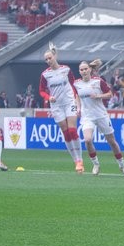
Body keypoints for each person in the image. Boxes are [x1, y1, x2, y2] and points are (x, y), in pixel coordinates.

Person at [73, 59, 124, 177]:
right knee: (88, 140)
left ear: (90, 70)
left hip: (101, 115)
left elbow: (110, 94)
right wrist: (78, 108)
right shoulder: (76, 83)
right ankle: (96, 164)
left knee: (112, 142)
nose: (84, 71)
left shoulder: (98, 81)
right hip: (87, 116)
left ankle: (122, 166)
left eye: (85, 69)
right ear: (79, 71)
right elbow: (76, 96)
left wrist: (98, 95)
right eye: (81, 70)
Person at [40, 43, 84, 173]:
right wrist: (48, 97)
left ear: (55, 56)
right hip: (56, 106)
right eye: (46, 59)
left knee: (72, 131)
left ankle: (80, 160)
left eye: (50, 58)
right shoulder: (45, 75)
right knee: (66, 133)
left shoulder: (66, 69)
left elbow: (74, 85)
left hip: (69, 102)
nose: (48, 61)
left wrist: (77, 102)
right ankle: (75, 161)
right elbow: (41, 91)